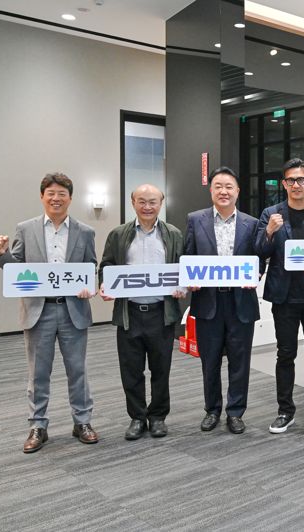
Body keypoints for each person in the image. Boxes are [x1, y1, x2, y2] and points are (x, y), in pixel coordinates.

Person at [0, 172, 98, 453]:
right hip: (39, 310)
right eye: (51, 193)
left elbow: (91, 266)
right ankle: (38, 425)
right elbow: (15, 267)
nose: (56, 198)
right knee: (38, 373)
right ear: (42, 197)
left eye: (62, 194)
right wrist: (1, 253)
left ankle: (82, 421)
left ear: (70, 198)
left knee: (77, 370)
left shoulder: (85, 231)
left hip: (73, 310)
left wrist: (89, 285)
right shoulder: (25, 229)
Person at [98, 184, 185, 440]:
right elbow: (106, 266)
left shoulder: (174, 234)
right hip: (130, 313)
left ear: (161, 204)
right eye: (142, 201)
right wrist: (105, 284)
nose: (147, 207)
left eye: (153, 202)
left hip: (161, 313)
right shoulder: (118, 234)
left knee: (161, 369)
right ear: (133, 202)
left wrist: (182, 286)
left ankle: (157, 417)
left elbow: (183, 267)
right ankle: (137, 417)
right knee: (131, 370)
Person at [255, 158, 304, 433]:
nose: (296, 184)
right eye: (291, 180)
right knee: (285, 354)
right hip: (284, 296)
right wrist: (269, 231)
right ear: (284, 184)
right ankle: (285, 411)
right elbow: (258, 252)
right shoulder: (271, 214)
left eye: (301, 179)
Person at [183, 166, 261, 435]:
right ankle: (212, 410)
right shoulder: (195, 220)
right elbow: (188, 255)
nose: (224, 191)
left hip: (241, 302)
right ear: (211, 190)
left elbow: (259, 258)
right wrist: (189, 278)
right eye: (218, 186)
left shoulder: (251, 223)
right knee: (210, 360)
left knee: (240, 361)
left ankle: (236, 412)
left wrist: (257, 273)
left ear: (237, 191)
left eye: (229, 187)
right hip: (208, 301)